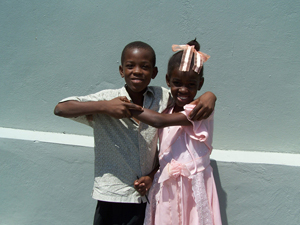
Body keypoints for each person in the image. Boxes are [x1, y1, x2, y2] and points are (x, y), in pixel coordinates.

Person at [54, 41, 217, 225]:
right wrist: (106, 107)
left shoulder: (162, 97)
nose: (137, 71)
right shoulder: (107, 98)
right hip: (112, 194)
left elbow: (184, 91)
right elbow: (61, 108)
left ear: (154, 73)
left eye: (145, 67)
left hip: (145, 196)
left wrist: (209, 95)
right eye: (130, 66)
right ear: (121, 70)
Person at [132, 39, 222, 225]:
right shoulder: (166, 108)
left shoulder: (201, 110)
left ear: (200, 84)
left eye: (191, 84)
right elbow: (165, 155)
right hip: (166, 188)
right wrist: (151, 176)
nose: (183, 89)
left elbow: (158, 121)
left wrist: (128, 108)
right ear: (167, 81)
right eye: (177, 82)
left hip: (195, 188)